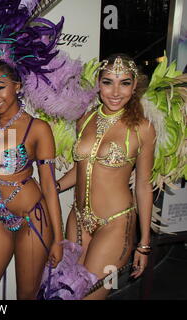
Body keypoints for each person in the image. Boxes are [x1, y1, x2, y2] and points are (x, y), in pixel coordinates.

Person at [57, 54, 156, 299]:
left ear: (135, 87)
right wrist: (50, 187)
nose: (115, 91)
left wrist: (144, 243)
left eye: (124, 83)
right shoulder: (85, 119)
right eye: (108, 82)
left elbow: (143, 186)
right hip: (78, 220)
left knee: (92, 296)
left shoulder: (143, 128)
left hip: (115, 224)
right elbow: (80, 169)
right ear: (98, 84)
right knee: (69, 293)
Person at [0, 61, 64, 300]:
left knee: (26, 295)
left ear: (18, 86)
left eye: (0, 87)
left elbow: (49, 188)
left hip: (31, 220)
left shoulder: (38, 128)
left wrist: (58, 238)